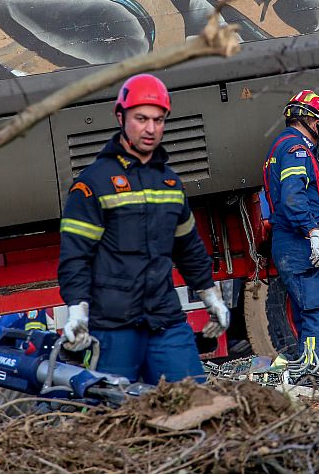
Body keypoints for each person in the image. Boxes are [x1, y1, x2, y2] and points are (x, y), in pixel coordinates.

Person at [57, 74, 230, 384]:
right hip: (113, 328)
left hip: (165, 321)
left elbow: (188, 247)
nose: (151, 129)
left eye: (159, 120)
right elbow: (75, 257)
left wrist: (211, 297)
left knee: (195, 403)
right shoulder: (93, 184)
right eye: (141, 119)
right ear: (120, 116)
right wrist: (76, 311)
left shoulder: (169, 183)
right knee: (116, 416)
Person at [262, 89, 319, 365]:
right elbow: (293, 196)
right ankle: (318, 375)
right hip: (300, 243)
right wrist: (314, 233)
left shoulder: (282, 147)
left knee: (307, 315)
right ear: (307, 119)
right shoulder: (296, 149)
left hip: (291, 242)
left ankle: (308, 370)